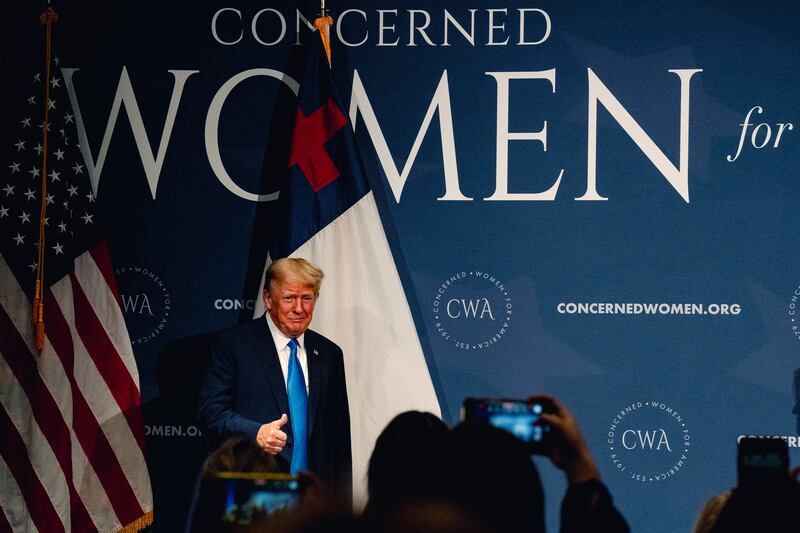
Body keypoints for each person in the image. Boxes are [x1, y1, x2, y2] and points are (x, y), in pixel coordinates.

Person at [197, 258, 352, 501]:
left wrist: (341, 506)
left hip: (313, 502)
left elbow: (338, 440)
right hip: (253, 496)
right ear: (268, 299)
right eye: (289, 298)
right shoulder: (233, 345)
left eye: (307, 298)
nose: (299, 308)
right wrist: (255, 432)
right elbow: (211, 413)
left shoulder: (329, 354)